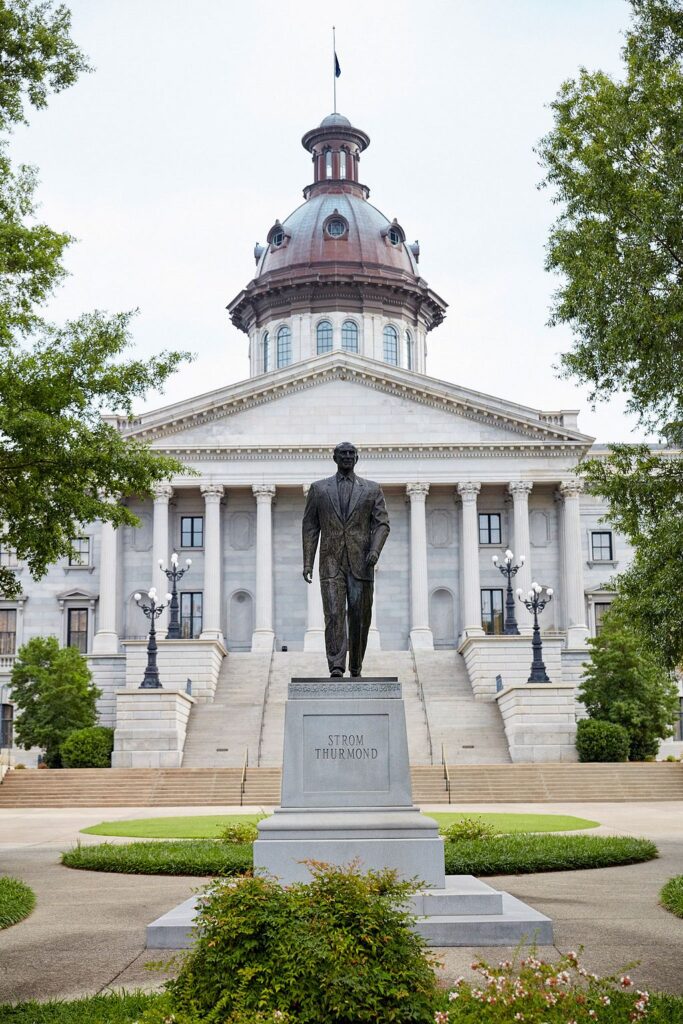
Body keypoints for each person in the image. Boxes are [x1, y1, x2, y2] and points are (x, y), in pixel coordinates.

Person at [302, 441, 390, 677]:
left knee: (360, 617)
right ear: (335, 458)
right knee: (333, 614)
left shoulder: (372, 489)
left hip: (362, 562)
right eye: (343, 454)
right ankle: (336, 666)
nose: (348, 457)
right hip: (331, 562)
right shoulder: (319, 489)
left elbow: (382, 524)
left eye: (352, 454)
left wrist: (374, 550)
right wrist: (308, 562)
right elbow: (310, 527)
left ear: (357, 458)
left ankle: (356, 666)